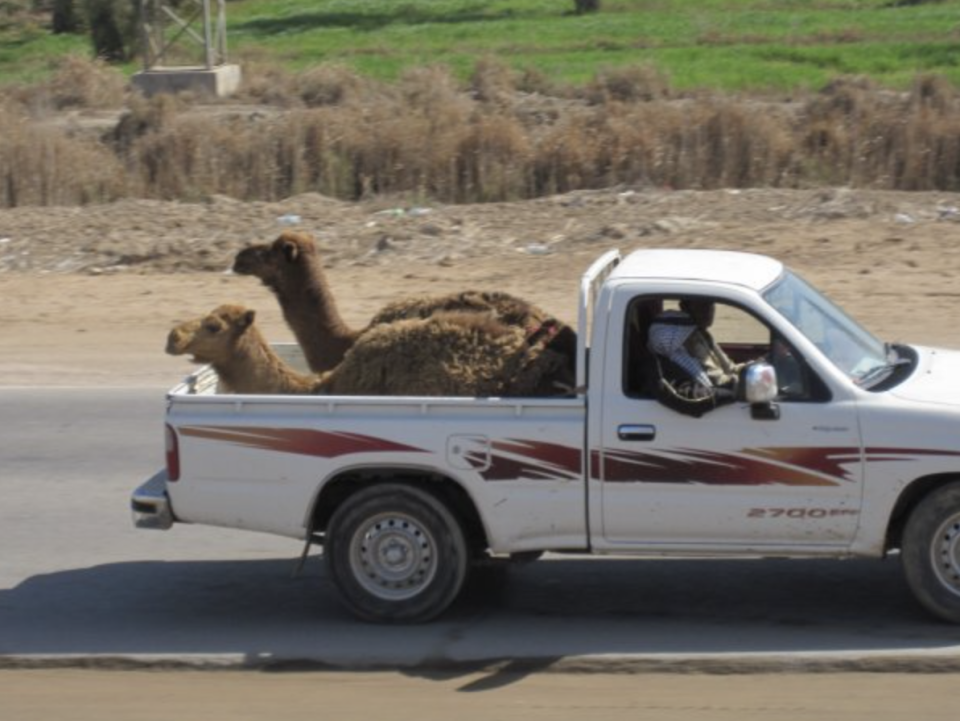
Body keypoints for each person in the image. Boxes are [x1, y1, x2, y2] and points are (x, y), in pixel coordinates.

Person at [646, 298, 744, 417]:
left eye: (710, 305)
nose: (709, 311)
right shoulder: (665, 366)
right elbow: (713, 384)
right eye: (702, 306)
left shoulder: (701, 334)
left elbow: (729, 368)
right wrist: (742, 385)